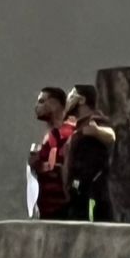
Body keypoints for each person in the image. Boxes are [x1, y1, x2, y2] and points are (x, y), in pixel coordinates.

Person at [63, 84, 117, 222]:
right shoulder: (78, 126)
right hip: (78, 195)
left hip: (93, 194)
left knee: (93, 234)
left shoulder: (94, 120)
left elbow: (111, 135)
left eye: (72, 94)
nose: (68, 98)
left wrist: (97, 131)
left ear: (81, 100)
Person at [29, 87, 74, 220]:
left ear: (55, 104)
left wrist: (39, 163)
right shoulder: (49, 135)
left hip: (62, 208)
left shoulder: (67, 133)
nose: (36, 106)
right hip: (45, 205)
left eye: (42, 101)